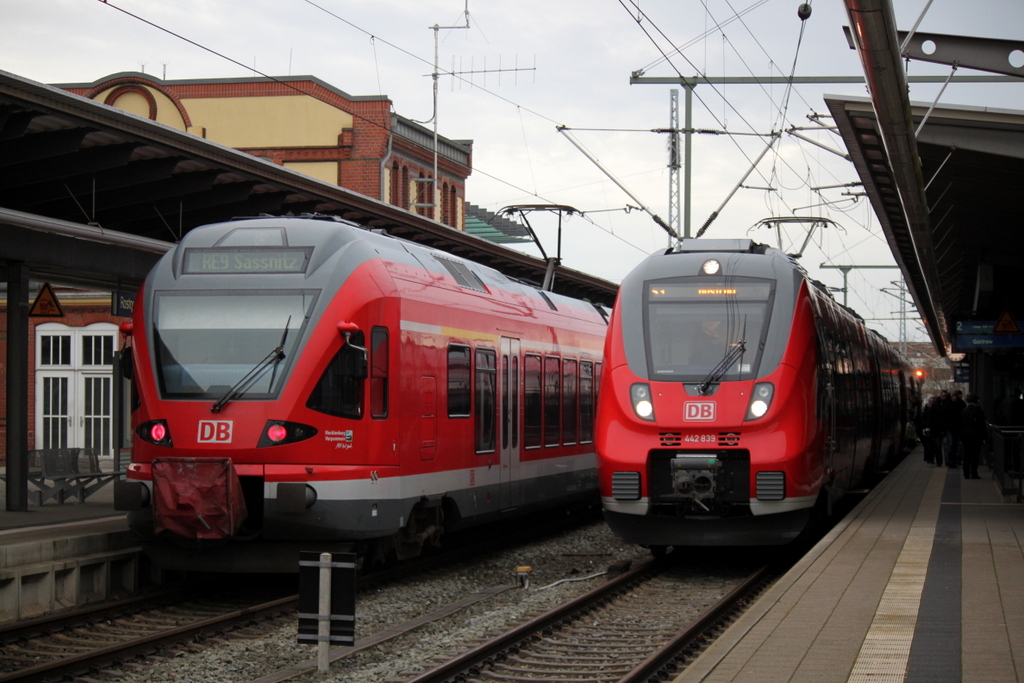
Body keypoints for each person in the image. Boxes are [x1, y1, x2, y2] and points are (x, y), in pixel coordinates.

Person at [959, 393, 987, 479]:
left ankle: (966, 473)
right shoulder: (979, 411)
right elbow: (982, 425)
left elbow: (961, 424)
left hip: (966, 436)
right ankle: (974, 473)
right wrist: (984, 437)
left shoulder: (964, 411)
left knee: (967, 455)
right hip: (976, 436)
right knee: (975, 455)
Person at [920, 396, 939, 464]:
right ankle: (928, 458)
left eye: (932, 401)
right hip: (927, 428)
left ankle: (931, 458)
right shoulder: (927, 408)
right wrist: (924, 426)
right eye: (930, 401)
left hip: (933, 429)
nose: (931, 403)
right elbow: (923, 418)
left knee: (932, 445)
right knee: (928, 444)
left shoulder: (935, 408)